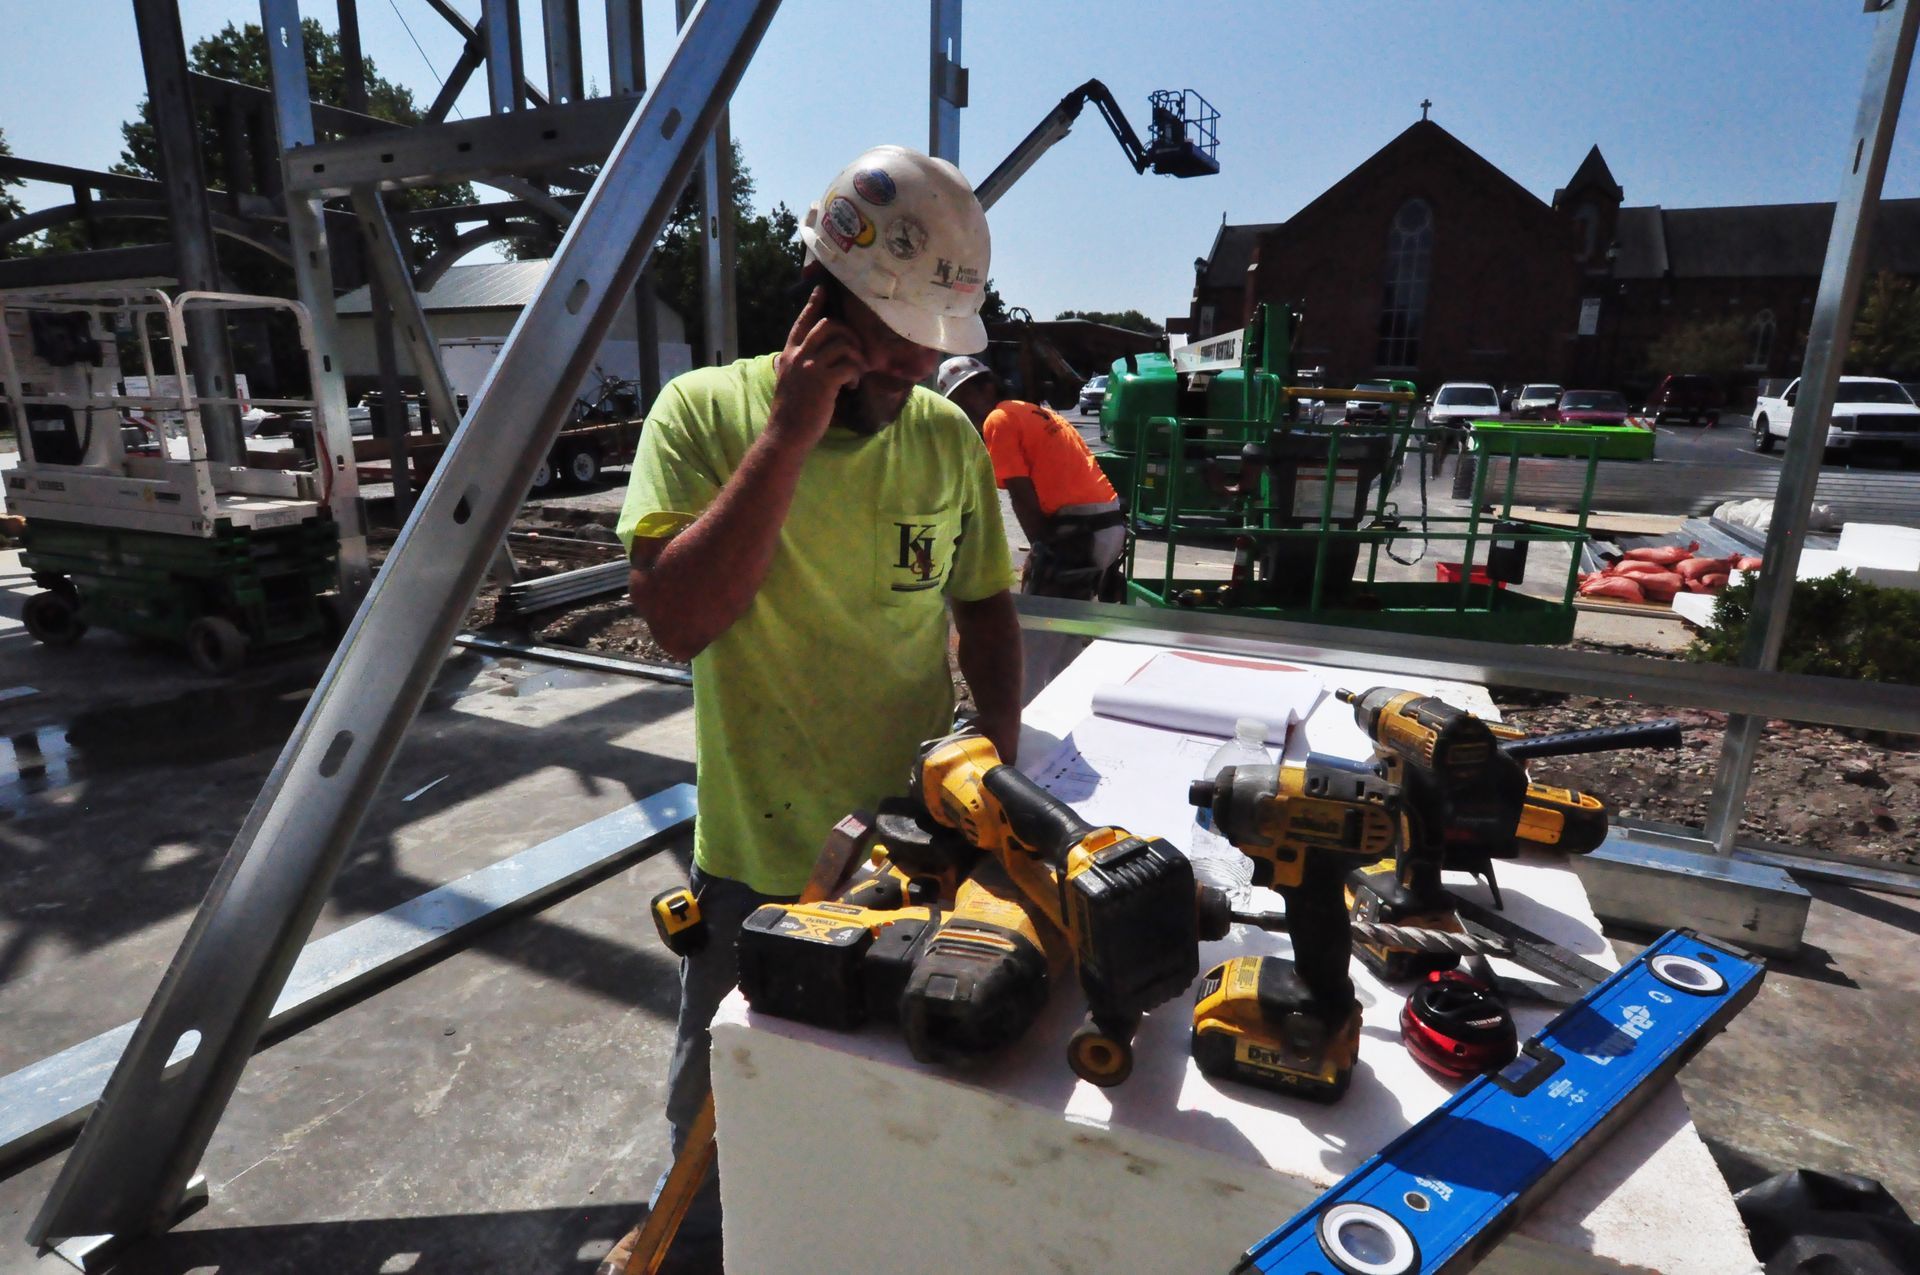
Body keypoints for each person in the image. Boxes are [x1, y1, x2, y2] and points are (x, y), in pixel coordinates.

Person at [615, 145, 1022, 1271]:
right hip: (757, 856)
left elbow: (986, 610)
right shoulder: (702, 416)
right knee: (723, 1110)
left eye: (921, 357)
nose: (903, 380)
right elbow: (681, 619)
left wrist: (998, 783)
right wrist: (790, 434)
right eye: (884, 353)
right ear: (819, 309)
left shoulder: (946, 439)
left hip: (916, 850)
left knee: (895, 1096)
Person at [937, 358, 1125, 701]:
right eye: (956, 403)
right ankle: (1068, 708)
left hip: (1078, 531)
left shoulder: (999, 419)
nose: (964, 410)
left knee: (1033, 637)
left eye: (965, 398)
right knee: (1064, 631)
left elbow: (1022, 497)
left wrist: (1041, 550)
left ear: (988, 386)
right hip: (1103, 526)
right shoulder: (1028, 410)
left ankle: (1020, 726)